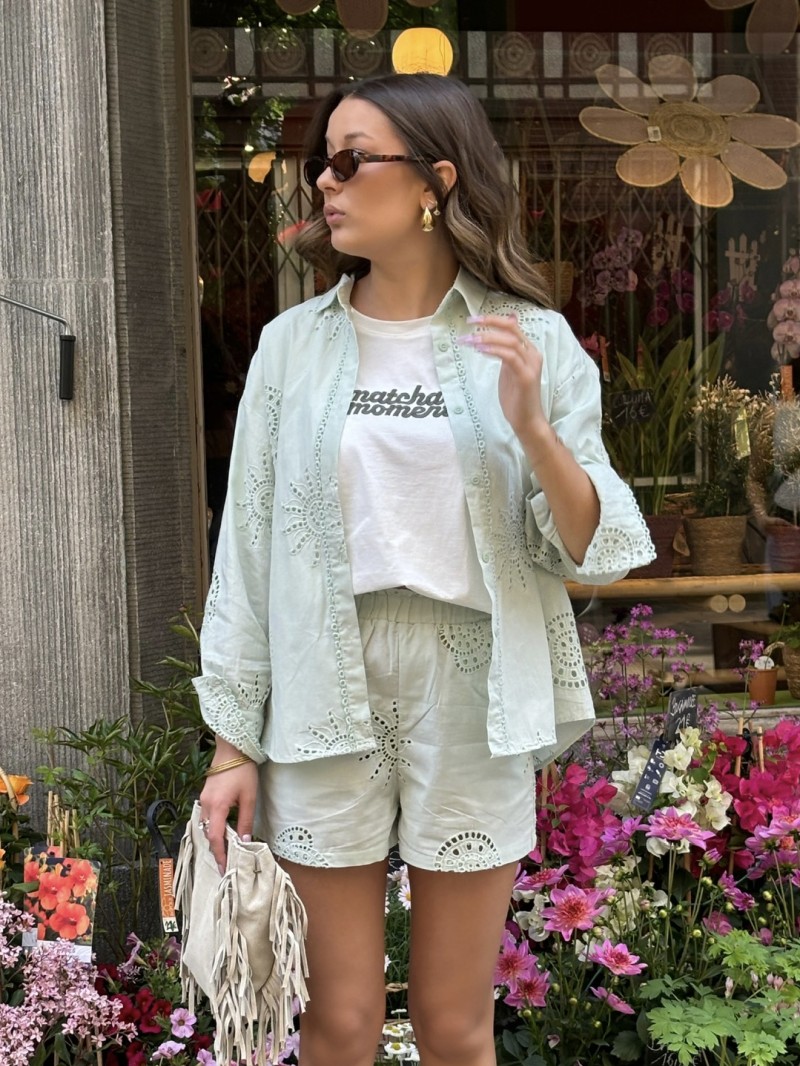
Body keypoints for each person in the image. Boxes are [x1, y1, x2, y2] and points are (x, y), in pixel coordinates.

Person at [194, 73, 654, 1066]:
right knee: (339, 1021)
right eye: (322, 162)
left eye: (351, 159)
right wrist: (232, 742)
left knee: (454, 1024)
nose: (325, 181)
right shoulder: (289, 349)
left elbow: (589, 545)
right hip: (325, 674)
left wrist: (531, 427)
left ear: (436, 182)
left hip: (471, 681)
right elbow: (248, 548)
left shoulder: (531, 341)